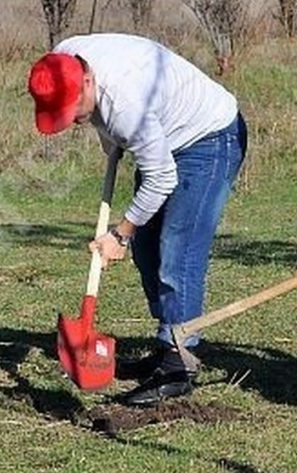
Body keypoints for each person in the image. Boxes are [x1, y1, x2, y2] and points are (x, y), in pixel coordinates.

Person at [27, 34, 247, 406]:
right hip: (163, 135)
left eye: (74, 110)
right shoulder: (62, 58)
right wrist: (106, 134)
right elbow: (118, 129)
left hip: (210, 139)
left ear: (87, 82)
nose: (76, 120)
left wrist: (121, 233)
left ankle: (179, 364)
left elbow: (161, 178)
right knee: (149, 252)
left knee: (178, 250)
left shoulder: (125, 102)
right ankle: (169, 343)